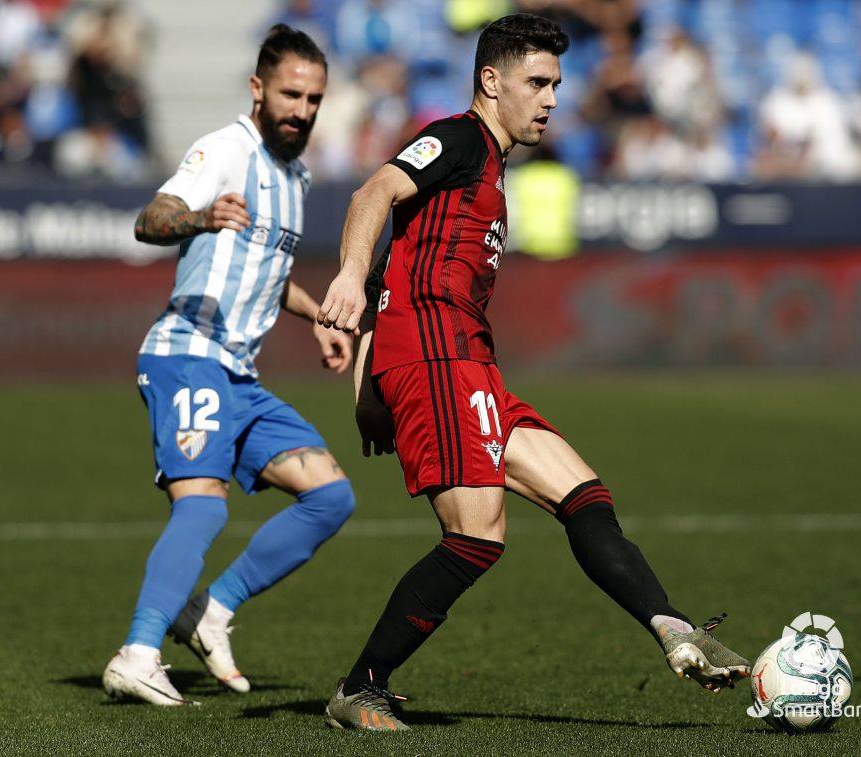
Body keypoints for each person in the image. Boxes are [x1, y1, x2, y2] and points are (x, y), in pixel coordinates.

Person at [315, 13, 750, 731]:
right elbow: (372, 196)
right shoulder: (457, 139)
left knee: (583, 492)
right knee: (477, 536)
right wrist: (351, 279)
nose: (551, 98)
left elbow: (406, 258)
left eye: (557, 83)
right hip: (435, 356)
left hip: (468, 363)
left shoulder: (489, 168)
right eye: (537, 82)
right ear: (491, 80)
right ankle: (360, 687)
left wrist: (368, 383)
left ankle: (674, 627)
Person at [101, 25, 356, 706]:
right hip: (186, 354)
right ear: (257, 89)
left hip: (239, 373)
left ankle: (209, 611)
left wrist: (322, 319)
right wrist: (200, 217)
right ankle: (138, 651)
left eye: (313, 98)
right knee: (204, 507)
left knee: (332, 495)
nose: (301, 109)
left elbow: (269, 273)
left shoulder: (295, 177)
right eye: (290, 94)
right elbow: (150, 220)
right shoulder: (224, 150)